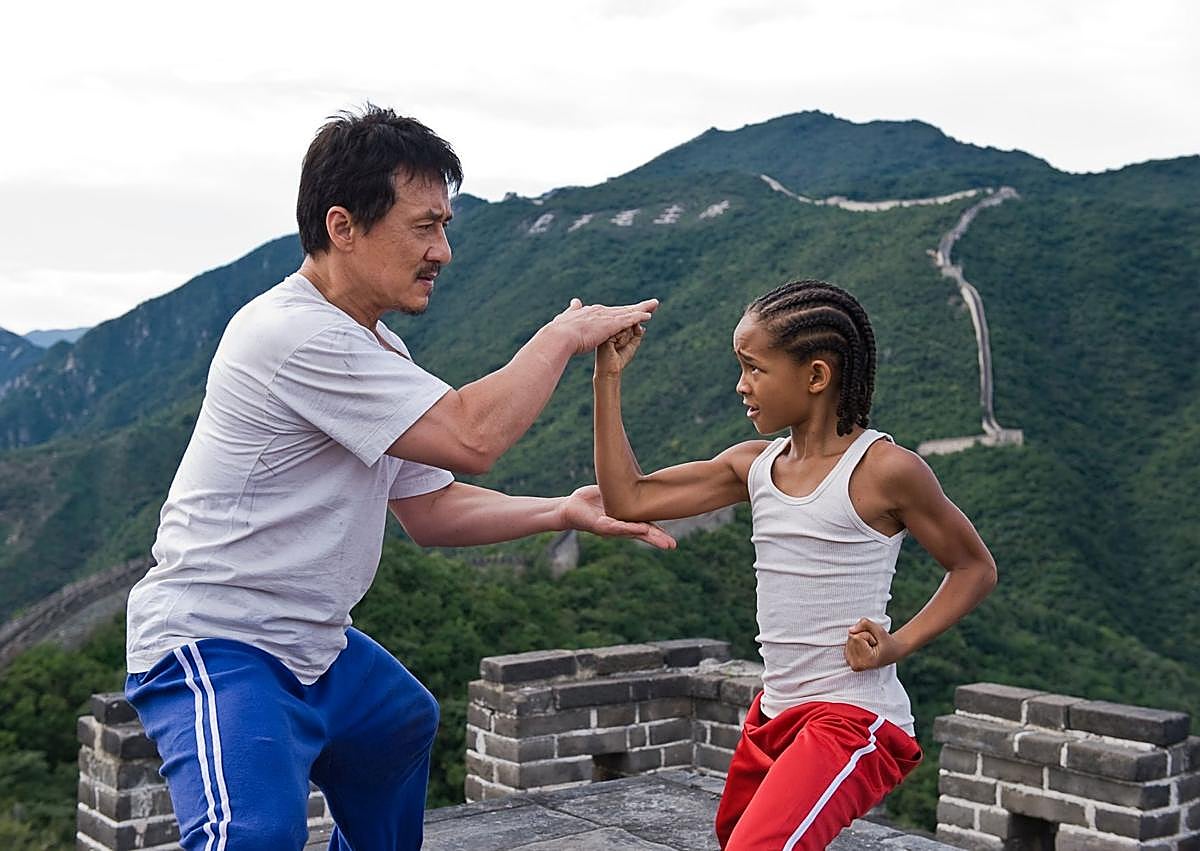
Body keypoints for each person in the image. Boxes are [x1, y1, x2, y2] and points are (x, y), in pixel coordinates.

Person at [123, 104, 672, 851]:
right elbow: (472, 437)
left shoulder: (379, 350)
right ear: (343, 226)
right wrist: (561, 336)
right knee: (251, 835)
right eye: (424, 226)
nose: (442, 250)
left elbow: (431, 508)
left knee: (400, 723)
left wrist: (561, 511)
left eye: (444, 226)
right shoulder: (294, 332)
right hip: (219, 638)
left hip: (315, 642)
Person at [592, 279, 997, 850]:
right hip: (774, 715)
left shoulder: (885, 471)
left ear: (815, 376)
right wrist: (607, 379)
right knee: (736, 837)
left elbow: (974, 568)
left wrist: (896, 645)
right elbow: (628, 499)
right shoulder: (754, 466)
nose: (741, 385)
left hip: (852, 719)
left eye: (754, 368)